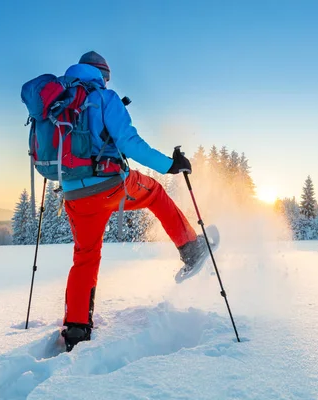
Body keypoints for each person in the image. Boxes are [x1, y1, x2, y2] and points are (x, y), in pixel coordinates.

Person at [60, 51, 209, 351]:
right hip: (110, 185)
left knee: (85, 256)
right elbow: (129, 142)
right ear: (100, 73)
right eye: (106, 76)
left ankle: (76, 328)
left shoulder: (60, 102)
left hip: (74, 195)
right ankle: (190, 249)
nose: (106, 81)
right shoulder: (105, 98)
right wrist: (169, 164)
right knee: (154, 192)